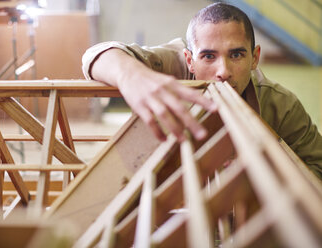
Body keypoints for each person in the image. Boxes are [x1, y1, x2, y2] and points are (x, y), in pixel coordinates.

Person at [82, 3, 322, 179]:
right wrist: (132, 76)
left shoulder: (280, 105)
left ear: (255, 58)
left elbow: (318, 167)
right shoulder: (173, 66)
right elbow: (94, 56)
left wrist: (266, 175)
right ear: (189, 60)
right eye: (208, 56)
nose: (223, 71)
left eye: (236, 54)